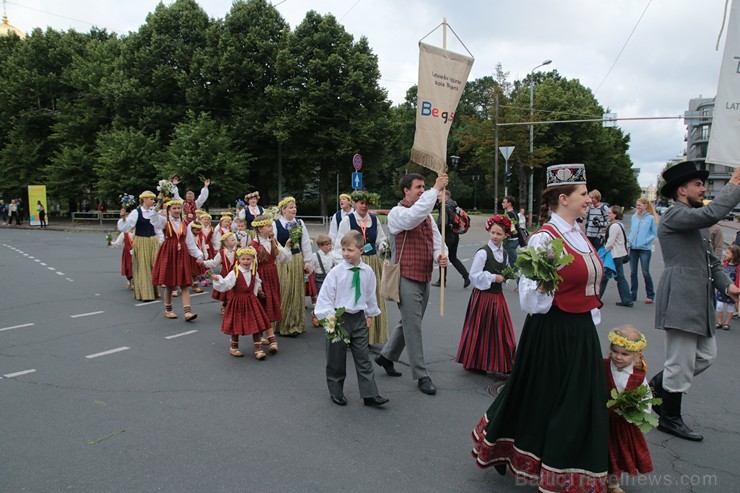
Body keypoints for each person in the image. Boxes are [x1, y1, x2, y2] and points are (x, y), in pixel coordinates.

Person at [472, 164, 608, 491]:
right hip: (554, 332)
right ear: (564, 198)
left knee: (575, 400)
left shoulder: (577, 233)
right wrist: (547, 288)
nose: (588, 199)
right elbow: (529, 300)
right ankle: (549, 464)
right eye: (582, 194)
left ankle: (571, 464)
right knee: (550, 400)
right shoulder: (544, 239)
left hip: (581, 331)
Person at [650, 161, 740, 442]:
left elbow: (712, 261)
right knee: (679, 362)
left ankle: (654, 388)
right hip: (681, 295)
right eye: (698, 185)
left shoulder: (692, 216)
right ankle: (669, 418)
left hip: (697, 299)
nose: (703, 189)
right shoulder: (675, 214)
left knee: (705, 356)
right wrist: (734, 184)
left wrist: (730, 287)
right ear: (681, 190)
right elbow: (714, 212)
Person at [374, 172, 448, 396]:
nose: (422, 190)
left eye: (424, 187)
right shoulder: (398, 213)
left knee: (409, 321)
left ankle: (386, 356)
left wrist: (440, 256)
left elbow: (436, 241)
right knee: (413, 326)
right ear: (406, 191)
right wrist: (436, 190)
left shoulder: (427, 216)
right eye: (418, 187)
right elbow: (413, 217)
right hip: (406, 276)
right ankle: (421, 374)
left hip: (424, 275)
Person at [314, 230, 388, 407]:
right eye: (343, 249)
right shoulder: (336, 272)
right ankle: (336, 391)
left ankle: (370, 394)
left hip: (359, 319)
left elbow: (370, 294)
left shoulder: (367, 271)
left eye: (350, 250)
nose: (346, 253)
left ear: (361, 251)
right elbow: (326, 296)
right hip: (338, 319)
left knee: (363, 358)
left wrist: (369, 313)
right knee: (336, 359)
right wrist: (328, 318)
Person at [455, 215, 516, 375]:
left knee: (501, 330)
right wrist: (494, 277)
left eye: (499, 234)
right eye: (493, 233)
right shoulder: (483, 252)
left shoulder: (504, 254)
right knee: (480, 330)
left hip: (497, 297)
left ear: (505, 235)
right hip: (483, 297)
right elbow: (474, 276)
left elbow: (507, 271)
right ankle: (477, 361)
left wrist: (506, 278)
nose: (495, 236)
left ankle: (503, 362)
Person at [334, 190, 390, 344]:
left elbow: (381, 239)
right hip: (355, 263)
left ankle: (370, 336)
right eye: (361, 203)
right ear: (355, 203)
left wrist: (384, 249)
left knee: (371, 296)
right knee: (354, 297)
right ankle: (351, 336)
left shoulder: (374, 219)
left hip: (371, 262)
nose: (364, 206)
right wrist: (344, 265)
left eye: (367, 203)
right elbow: (340, 243)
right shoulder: (348, 220)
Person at [604, 326, 654, 493]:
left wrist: (640, 415)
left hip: (622, 424)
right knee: (599, 452)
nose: (618, 357)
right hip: (602, 420)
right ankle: (593, 478)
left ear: (636, 355)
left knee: (617, 455)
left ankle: (613, 484)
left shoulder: (638, 375)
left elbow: (646, 397)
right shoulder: (603, 366)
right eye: (615, 352)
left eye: (624, 354)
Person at [212, 246, 276, 359]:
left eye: (248, 259)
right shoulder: (234, 273)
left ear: (252, 259)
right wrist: (218, 279)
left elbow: (256, 282)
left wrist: (259, 291)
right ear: (239, 260)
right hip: (237, 302)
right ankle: (234, 347)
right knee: (236, 324)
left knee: (256, 325)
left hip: (251, 301)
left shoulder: (253, 271)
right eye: (243, 259)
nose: (246, 261)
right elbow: (226, 284)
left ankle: (259, 350)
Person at [150, 199, 204, 321]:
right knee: (170, 284)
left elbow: (190, 243)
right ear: (169, 210)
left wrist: (198, 255)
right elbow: (153, 219)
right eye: (174, 208)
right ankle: (168, 310)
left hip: (182, 254)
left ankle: (188, 312)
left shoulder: (184, 224)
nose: (176, 210)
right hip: (169, 253)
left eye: (178, 208)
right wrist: (157, 206)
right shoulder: (165, 222)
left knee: (185, 283)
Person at [274, 196, 312, 336]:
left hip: (296, 260)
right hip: (283, 261)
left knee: (296, 291)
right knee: (285, 290)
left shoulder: (300, 223)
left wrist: (307, 261)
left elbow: (306, 243)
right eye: (291, 207)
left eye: (295, 207)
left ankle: (295, 324)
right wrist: (285, 249)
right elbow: (274, 243)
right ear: (283, 210)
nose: (294, 209)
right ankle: (281, 323)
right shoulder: (276, 223)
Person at [250, 214, 293, 326]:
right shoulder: (253, 245)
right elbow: (253, 267)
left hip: (272, 275)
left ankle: (267, 330)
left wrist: (287, 247)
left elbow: (283, 259)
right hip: (261, 275)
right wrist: (257, 283)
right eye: (268, 226)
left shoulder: (273, 241)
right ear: (260, 229)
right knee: (262, 302)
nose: (271, 228)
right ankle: (261, 333)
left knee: (271, 301)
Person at [117, 191, 160, 302]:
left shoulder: (153, 211)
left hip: (153, 240)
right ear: (145, 199)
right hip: (141, 241)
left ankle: (154, 290)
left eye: (154, 199)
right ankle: (145, 294)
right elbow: (126, 227)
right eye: (151, 199)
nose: (153, 201)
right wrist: (123, 218)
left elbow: (158, 227)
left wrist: (160, 240)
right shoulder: (136, 212)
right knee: (144, 267)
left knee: (154, 265)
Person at [432, 189, 470, 288]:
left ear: (446, 196)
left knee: (442, 256)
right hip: (455, 235)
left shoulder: (444, 207)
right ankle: (466, 276)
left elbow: (442, 223)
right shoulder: (454, 206)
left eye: (440, 196)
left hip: (446, 236)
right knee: (453, 257)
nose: (438, 198)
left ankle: (442, 281)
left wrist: (436, 229)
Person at [600, 205, 633, 307]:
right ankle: (627, 300)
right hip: (620, 253)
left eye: (610, 213)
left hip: (615, 255)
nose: (608, 214)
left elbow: (610, 242)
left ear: (615, 214)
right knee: (619, 277)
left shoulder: (614, 226)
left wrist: (604, 251)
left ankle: (596, 299)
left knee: (605, 277)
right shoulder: (619, 224)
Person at [628, 197, 657, 304]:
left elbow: (653, 233)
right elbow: (632, 231)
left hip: (645, 249)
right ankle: (633, 294)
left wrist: (645, 241)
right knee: (633, 272)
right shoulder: (634, 217)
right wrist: (629, 241)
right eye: (637, 205)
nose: (638, 207)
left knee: (645, 272)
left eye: (640, 205)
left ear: (645, 206)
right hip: (633, 249)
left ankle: (650, 295)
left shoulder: (650, 218)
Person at [202, 231, 238, 315]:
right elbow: (214, 263)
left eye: (234, 240)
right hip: (225, 274)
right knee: (226, 291)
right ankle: (224, 305)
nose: (235, 241)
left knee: (235, 290)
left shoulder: (237, 251)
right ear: (226, 243)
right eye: (232, 240)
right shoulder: (221, 253)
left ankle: (233, 306)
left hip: (235, 274)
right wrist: (204, 263)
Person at [715, 245, 740, 331]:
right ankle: (719, 322)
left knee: (730, 306)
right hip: (723, 289)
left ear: (734, 255)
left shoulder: (738, 267)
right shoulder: (725, 264)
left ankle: (727, 323)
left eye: (728, 253)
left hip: (733, 290)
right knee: (719, 306)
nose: (726, 254)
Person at [501, 196, 523, 269]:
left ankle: (519, 279)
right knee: (507, 260)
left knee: (513, 263)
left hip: (511, 241)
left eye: (504, 202)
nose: (502, 204)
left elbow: (511, 229)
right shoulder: (514, 213)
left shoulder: (510, 214)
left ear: (509, 203)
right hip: (514, 240)